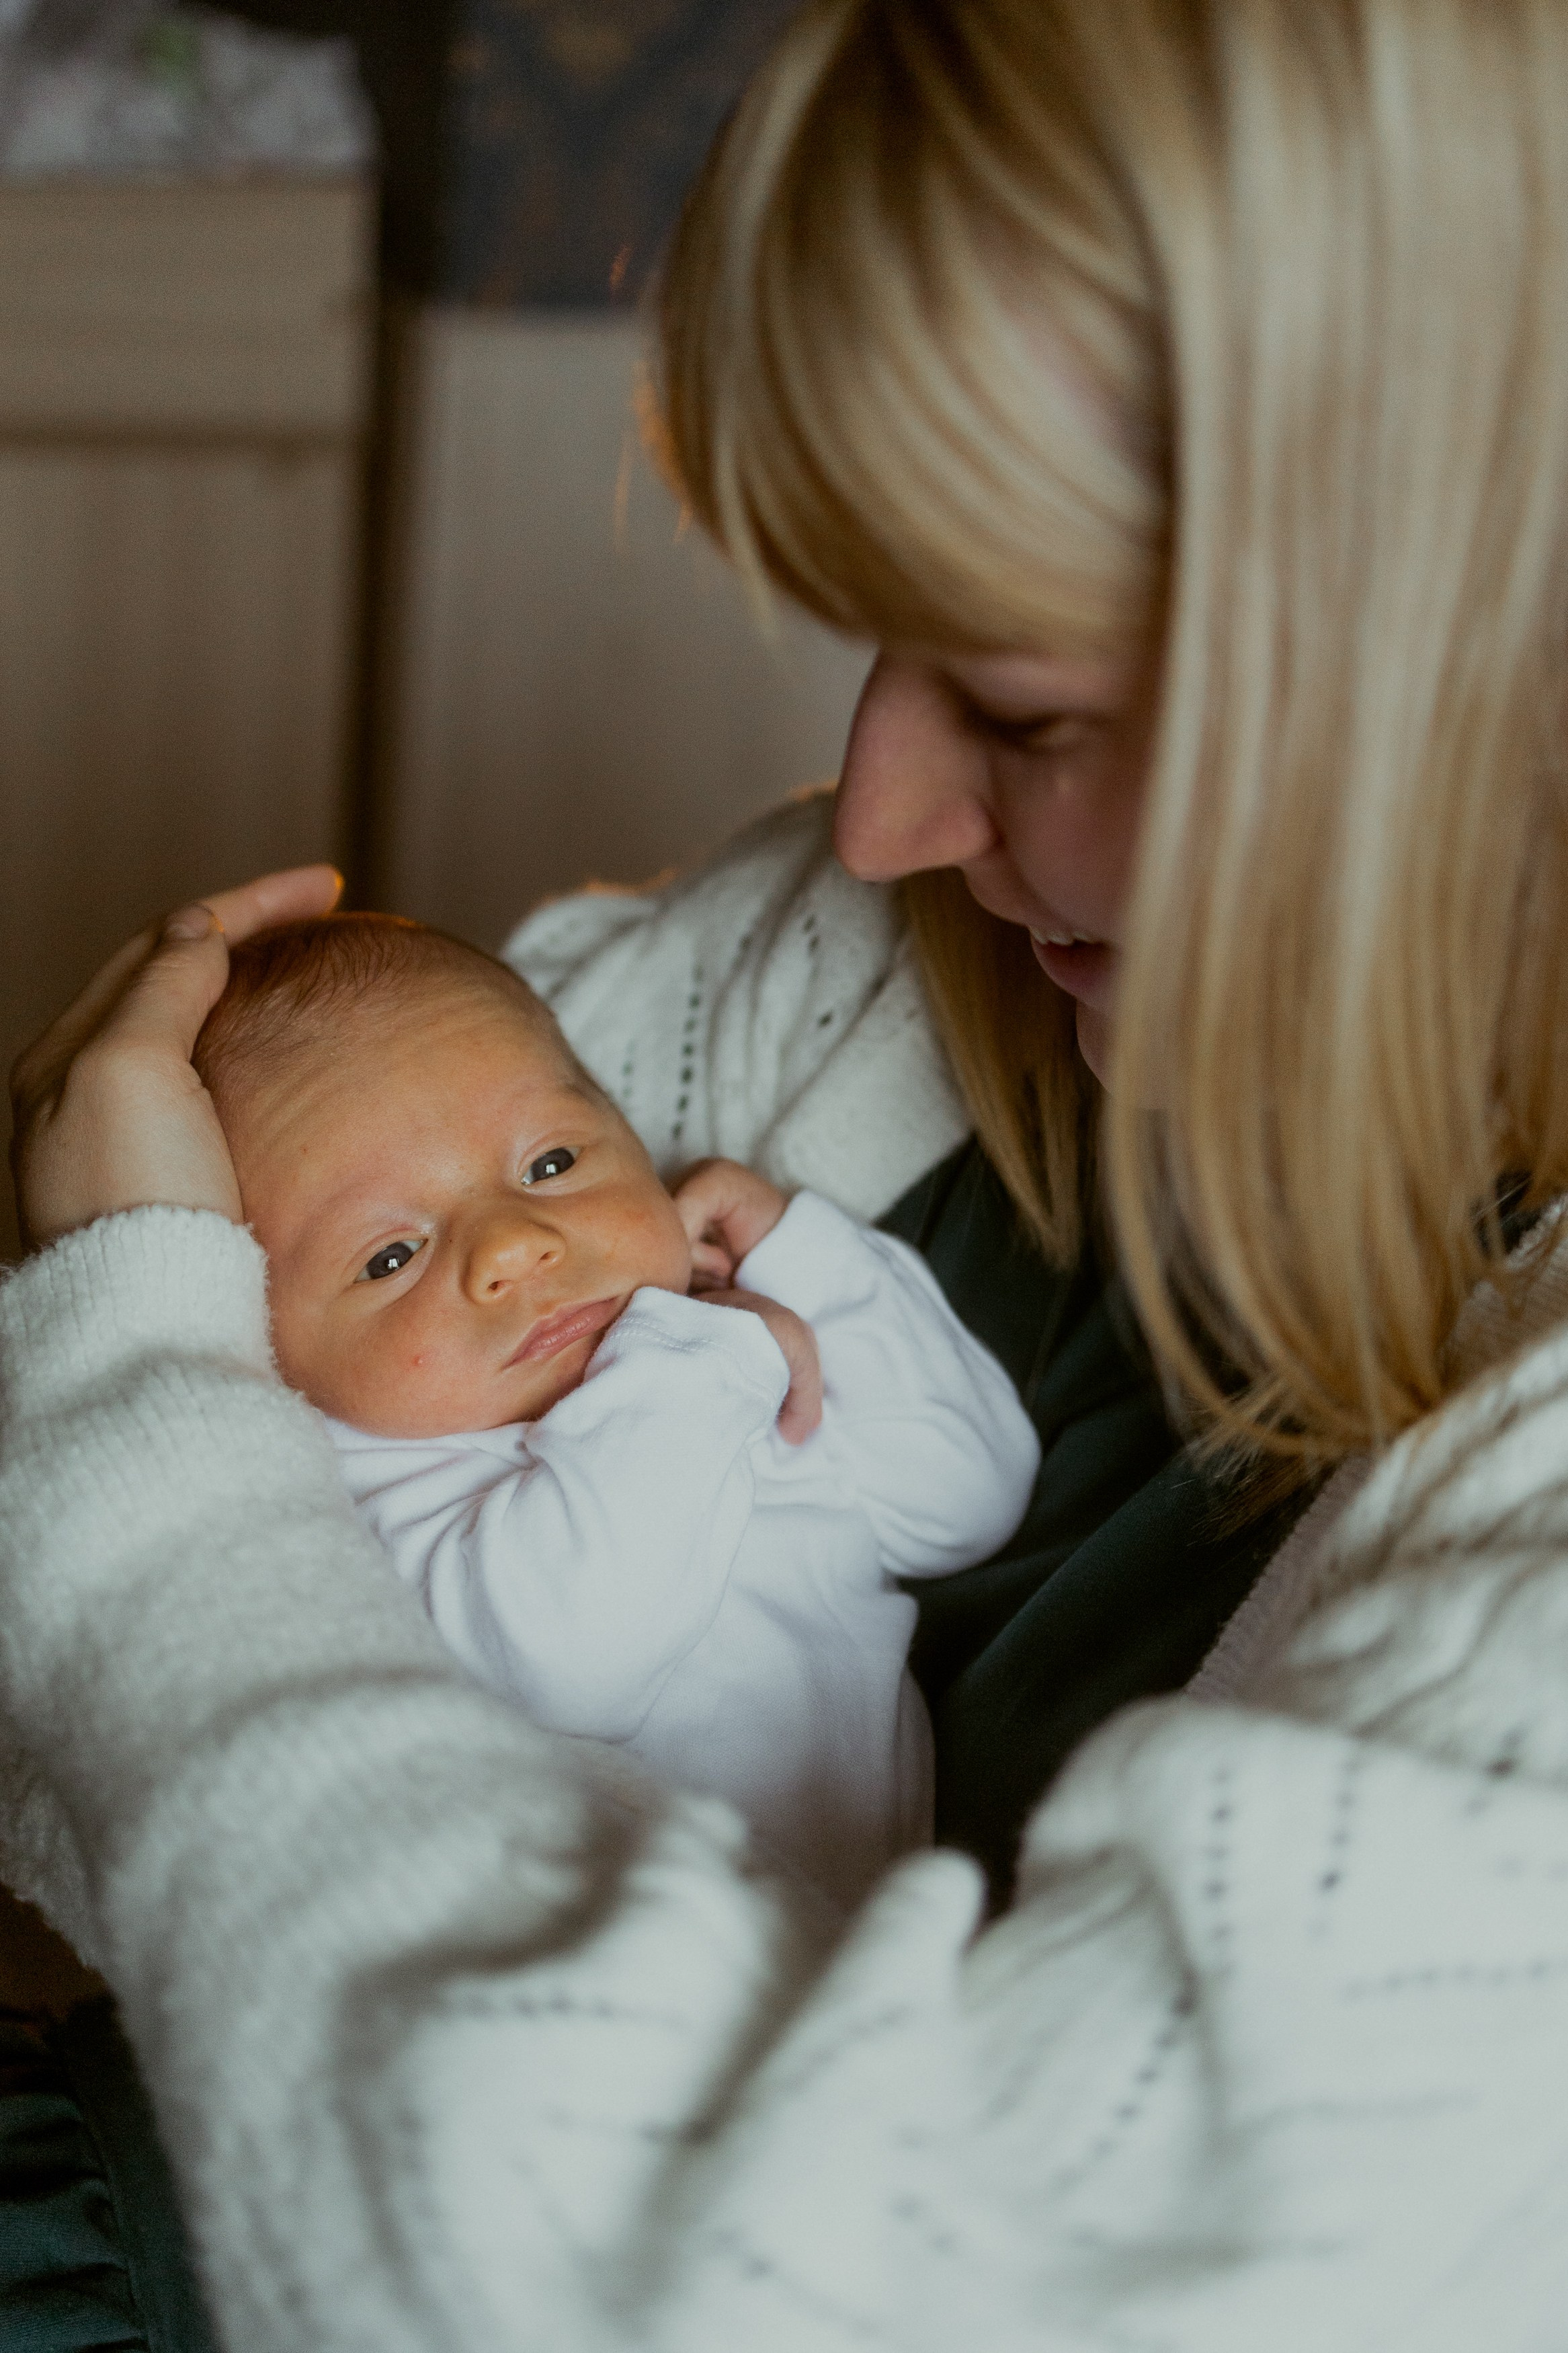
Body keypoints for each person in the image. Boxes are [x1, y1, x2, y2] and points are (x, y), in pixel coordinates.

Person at [6, 0, 1568, 2344]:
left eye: (1023, 706)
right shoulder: (871, 988)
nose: (880, 820)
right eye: (878, 643)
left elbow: (699, 2295)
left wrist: (140, 1392)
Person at [192, 912, 1038, 1910]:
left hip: (873, 1946)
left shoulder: (718, 1340)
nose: (514, 1246)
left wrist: (803, 1254)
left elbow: (965, 1501)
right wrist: (707, 1361)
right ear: (268, 1348)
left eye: (551, 1165)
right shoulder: (377, 1483)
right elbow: (573, 1662)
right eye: (390, 1256)